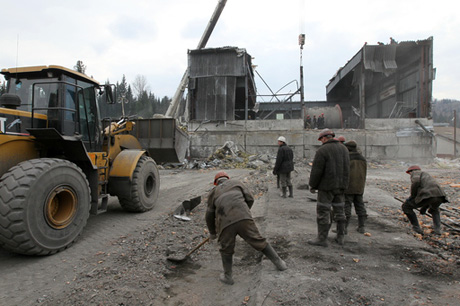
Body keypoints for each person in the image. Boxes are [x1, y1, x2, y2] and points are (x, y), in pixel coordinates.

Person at [206, 171, 287, 285]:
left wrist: (212, 233)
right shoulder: (237, 183)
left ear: (216, 183)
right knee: (258, 240)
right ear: (227, 179)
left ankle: (228, 276)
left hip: (225, 223)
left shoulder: (213, 192)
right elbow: (250, 199)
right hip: (244, 218)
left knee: (226, 249)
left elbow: (209, 215)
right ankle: (280, 263)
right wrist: (244, 212)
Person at [308, 129, 350, 246]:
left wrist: (313, 185)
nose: (321, 142)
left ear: (324, 138)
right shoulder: (344, 149)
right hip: (341, 187)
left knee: (323, 212)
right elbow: (347, 169)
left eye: (321, 140)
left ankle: (322, 239)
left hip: (326, 188)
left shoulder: (322, 150)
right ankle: (340, 237)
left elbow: (317, 171)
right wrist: (345, 185)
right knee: (340, 212)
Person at [402, 165, 449, 235]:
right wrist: (424, 208)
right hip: (440, 195)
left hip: (429, 195)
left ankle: (416, 228)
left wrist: (412, 196)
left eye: (409, 173)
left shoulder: (416, 173)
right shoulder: (427, 176)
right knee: (434, 209)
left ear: (411, 171)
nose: (410, 175)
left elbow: (416, 183)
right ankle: (437, 230)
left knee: (406, 207)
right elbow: (431, 199)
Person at [344, 140, 367, 234]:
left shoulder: (347, 158)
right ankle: (362, 227)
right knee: (360, 206)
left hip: (349, 186)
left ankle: (344, 228)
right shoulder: (362, 158)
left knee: (346, 207)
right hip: (360, 186)